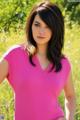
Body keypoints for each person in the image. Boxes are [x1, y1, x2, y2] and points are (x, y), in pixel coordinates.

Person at [0, 1, 76, 120]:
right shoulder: (14, 55)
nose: (41, 31)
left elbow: (70, 96)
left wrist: (69, 118)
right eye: (37, 24)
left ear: (55, 29)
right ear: (31, 25)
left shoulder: (63, 63)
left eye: (47, 26)